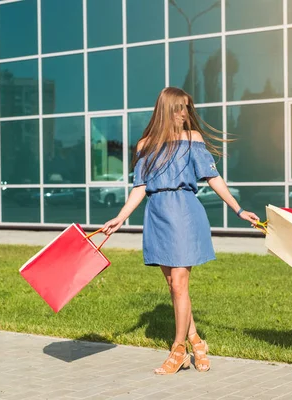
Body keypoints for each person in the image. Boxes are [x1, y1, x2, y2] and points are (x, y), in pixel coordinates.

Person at [101, 87, 260, 375]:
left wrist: (238, 209)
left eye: (187, 107)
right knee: (174, 286)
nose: (184, 113)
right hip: (157, 215)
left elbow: (213, 178)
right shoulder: (144, 145)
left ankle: (178, 350)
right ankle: (197, 341)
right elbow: (139, 187)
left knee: (179, 284)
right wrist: (120, 217)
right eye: (178, 108)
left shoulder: (193, 140)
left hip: (185, 213)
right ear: (165, 109)